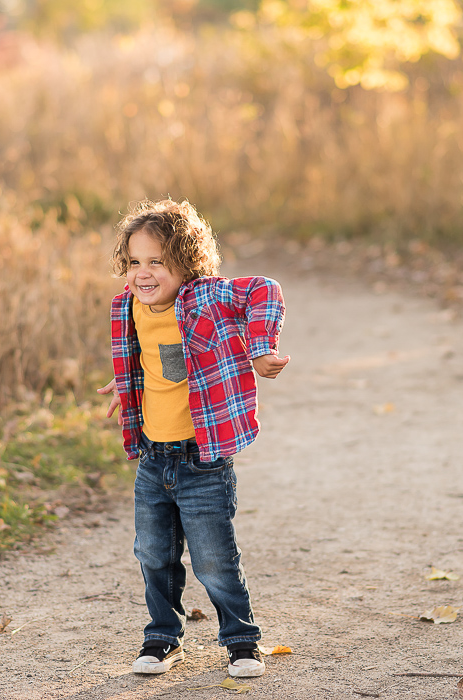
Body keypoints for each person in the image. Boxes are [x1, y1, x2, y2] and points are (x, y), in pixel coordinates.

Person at [98, 198, 288, 679]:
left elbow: (264, 290)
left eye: (157, 261)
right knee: (153, 554)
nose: (144, 273)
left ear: (188, 263)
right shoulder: (127, 307)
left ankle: (243, 642)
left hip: (202, 461)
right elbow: (149, 360)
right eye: (136, 261)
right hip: (152, 458)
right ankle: (162, 637)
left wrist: (262, 346)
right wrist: (128, 385)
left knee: (213, 559)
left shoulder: (205, 298)